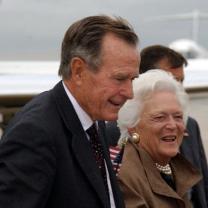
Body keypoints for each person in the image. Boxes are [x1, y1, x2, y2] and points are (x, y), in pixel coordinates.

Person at [0, 15, 140, 208]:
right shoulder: (35, 133)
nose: (129, 93)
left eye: (132, 79)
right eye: (119, 78)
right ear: (78, 71)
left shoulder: (94, 118)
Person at [106, 45, 208, 208]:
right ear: (132, 126)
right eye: (159, 117)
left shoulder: (170, 165)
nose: (172, 125)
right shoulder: (124, 178)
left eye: (178, 117)